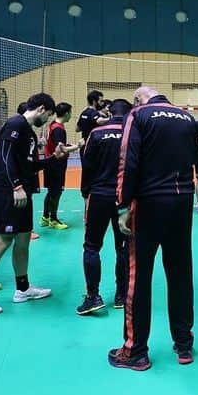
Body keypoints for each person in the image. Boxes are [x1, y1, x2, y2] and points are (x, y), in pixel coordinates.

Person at [109, 86, 198, 371]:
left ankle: (135, 351)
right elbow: (192, 159)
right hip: (183, 201)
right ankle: (184, 344)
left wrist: (122, 206)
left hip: (148, 204)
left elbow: (127, 162)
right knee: (181, 272)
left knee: (139, 277)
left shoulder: (139, 115)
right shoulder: (186, 117)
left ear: (138, 99)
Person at [0, 93, 61, 316]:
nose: (46, 120)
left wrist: (55, 157)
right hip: (6, 192)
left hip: (22, 193)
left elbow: (29, 166)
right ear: (41, 108)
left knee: (24, 236)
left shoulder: (29, 133)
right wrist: (16, 186)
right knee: (3, 241)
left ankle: (23, 288)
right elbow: (5, 157)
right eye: (47, 115)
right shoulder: (15, 124)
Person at [77, 99, 132, 315]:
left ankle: (93, 296)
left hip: (98, 195)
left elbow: (87, 165)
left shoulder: (97, 133)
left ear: (110, 112)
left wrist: (85, 193)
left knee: (91, 246)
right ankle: (121, 295)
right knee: (123, 246)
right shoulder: (133, 134)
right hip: (123, 198)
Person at [41, 102, 79, 229]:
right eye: (70, 112)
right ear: (67, 113)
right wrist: (78, 146)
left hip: (50, 162)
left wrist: (67, 145)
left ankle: (45, 217)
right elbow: (60, 149)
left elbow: (56, 144)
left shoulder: (52, 125)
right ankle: (54, 220)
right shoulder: (59, 129)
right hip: (56, 165)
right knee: (56, 192)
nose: (71, 115)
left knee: (51, 192)